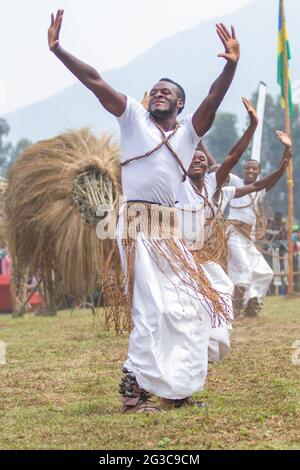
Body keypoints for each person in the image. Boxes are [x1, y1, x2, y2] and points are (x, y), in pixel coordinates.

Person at [48, 10, 240, 412]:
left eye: (166, 92)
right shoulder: (133, 119)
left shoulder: (189, 133)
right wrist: (59, 50)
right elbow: (96, 81)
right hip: (137, 228)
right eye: (153, 90)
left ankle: (176, 391)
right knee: (151, 311)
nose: (157, 94)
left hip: (169, 234)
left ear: (180, 103)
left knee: (191, 306)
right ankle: (133, 394)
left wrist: (231, 67)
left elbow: (213, 99)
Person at [223, 132, 292, 316]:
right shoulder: (235, 182)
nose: (251, 171)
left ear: (259, 173)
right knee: (243, 273)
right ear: (243, 171)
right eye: (248, 168)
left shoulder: (260, 189)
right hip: (234, 235)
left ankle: (251, 304)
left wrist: (287, 148)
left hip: (248, 240)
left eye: (254, 169)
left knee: (265, 272)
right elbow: (221, 165)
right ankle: (234, 310)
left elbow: (279, 172)